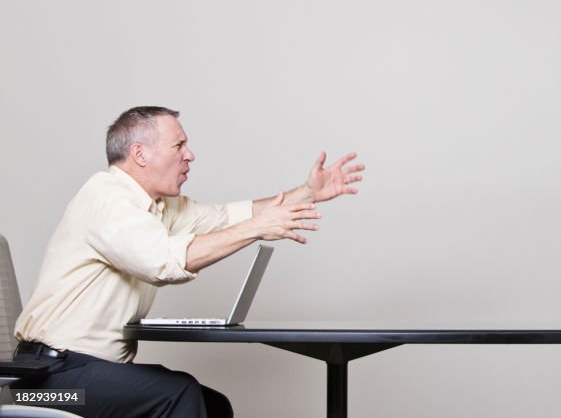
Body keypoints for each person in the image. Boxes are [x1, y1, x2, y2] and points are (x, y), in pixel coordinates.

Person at [13, 105, 364, 418]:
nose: (190, 155)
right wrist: (256, 229)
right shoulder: (106, 198)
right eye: (179, 146)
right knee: (178, 393)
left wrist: (306, 192)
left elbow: (230, 216)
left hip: (88, 374)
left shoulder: (162, 209)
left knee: (212, 406)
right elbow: (162, 263)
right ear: (140, 154)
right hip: (50, 380)